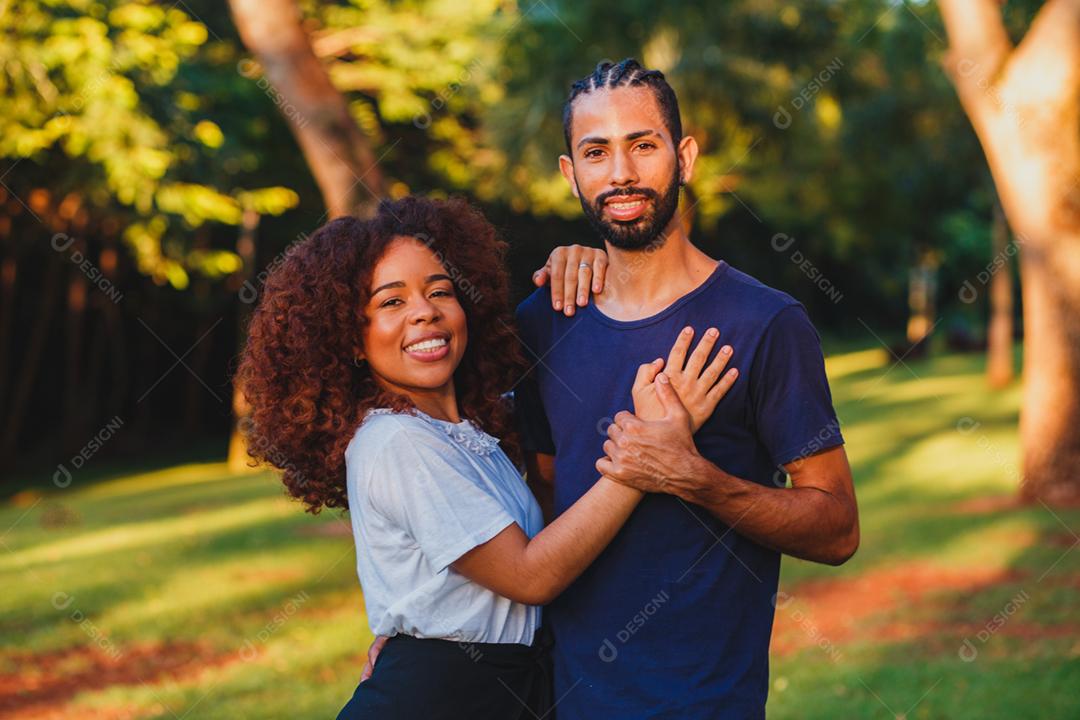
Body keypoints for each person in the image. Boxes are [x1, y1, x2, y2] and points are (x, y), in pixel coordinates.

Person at [237, 195, 738, 719]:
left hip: (503, 688)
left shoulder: (473, 428)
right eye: (391, 302)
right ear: (353, 340)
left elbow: (575, 411)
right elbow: (530, 576)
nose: (424, 311)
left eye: (440, 291)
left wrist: (592, 262)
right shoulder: (396, 441)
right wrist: (642, 461)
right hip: (438, 698)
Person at [510, 59, 860, 719]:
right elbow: (538, 512)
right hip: (567, 701)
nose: (621, 173)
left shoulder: (766, 323)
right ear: (570, 174)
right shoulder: (540, 324)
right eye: (596, 152)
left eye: (643, 145)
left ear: (685, 156)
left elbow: (838, 529)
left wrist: (696, 477)